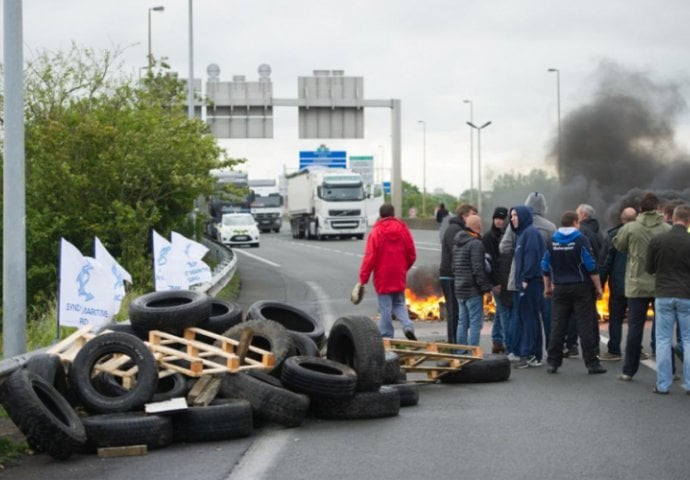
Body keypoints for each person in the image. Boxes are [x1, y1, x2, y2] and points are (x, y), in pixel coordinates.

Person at [613, 192, 671, 381]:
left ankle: (628, 371)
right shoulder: (666, 229)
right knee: (663, 330)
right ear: (657, 208)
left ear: (640, 209)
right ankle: (668, 370)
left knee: (635, 328)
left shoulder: (631, 228)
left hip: (637, 286)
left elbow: (619, 245)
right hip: (661, 285)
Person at [542, 211, 606, 375]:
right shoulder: (580, 239)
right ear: (575, 222)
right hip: (581, 288)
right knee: (585, 326)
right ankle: (592, 364)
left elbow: (544, 266)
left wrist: (547, 287)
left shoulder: (552, 240)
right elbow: (590, 265)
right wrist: (598, 288)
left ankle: (553, 363)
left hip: (560, 288)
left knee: (557, 326)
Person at [500, 192, 556, 363]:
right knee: (547, 317)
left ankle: (518, 350)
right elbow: (554, 254)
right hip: (545, 279)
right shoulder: (550, 227)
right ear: (544, 208)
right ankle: (551, 353)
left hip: (521, 279)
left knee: (521, 316)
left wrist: (519, 254)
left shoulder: (515, 226)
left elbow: (504, 248)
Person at [646, 203, 690, 394]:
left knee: (663, 339)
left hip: (663, 294)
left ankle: (663, 385)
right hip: (686, 295)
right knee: (688, 339)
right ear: (688, 221)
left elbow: (649, 268)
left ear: (672, 218)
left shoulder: (658, 240)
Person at [359, 203, 417, 340]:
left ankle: (386, 335)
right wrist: (403, 268)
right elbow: (412, 254)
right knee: (399, 303)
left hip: (382, 274)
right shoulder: (403, 229)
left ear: (380, 215)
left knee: (385, 306)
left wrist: (363, 279)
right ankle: (407, 325)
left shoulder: (376, 231)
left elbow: (370, 257)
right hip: (399, 273)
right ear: (393, 214)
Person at [509, 205, 546, 368]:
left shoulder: (530, 233)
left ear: (523, 216)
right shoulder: (522, 234)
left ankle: (527, 354)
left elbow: (532, 256)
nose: (512, 218)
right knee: (530, 318)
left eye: (515, 215)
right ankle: (535, 354)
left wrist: (525, 278)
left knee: (528, 319)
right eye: (511, 216)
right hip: (526, 283)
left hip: (531, 284)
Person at [598, 206, 637, 361]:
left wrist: (599, 286)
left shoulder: (613, 235)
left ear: (622, 219)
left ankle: (614, 351)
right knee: (636, 321)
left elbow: (605, 263)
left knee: (615, 319)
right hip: (637, 286)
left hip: (618, 285)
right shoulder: (643, 235)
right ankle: (636, 351)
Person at [452, 214, 493, 349]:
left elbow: (454, 267)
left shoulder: (457, 243)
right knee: (475, 323)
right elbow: (478, 269)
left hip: (459, 289)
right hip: (472, 290)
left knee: (462, 322)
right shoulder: (475, 244)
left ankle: (461, 352)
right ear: (478, 227)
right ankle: (473, 353)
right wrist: (486, 289)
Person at [438, 204, 477, 343]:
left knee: (457, 311)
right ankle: (453, 345)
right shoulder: (456, 230)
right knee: (454, 312)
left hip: (452, 275)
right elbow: (457, 255)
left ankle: (456, 344)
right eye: (472, 215)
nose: (475, 218)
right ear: (464, 215)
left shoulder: (457, 228)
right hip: (450, 276)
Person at [483, 206, 511, 353]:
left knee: (501, 311)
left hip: (505, 279)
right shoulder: (489, 237)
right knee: (505, 311)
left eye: (502, 218)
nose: (499, 221)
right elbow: (490, 263)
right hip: (498, 281)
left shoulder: (505, 235)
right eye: (497, 218)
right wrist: (495, 283)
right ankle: (509, 344)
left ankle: (497, 341)